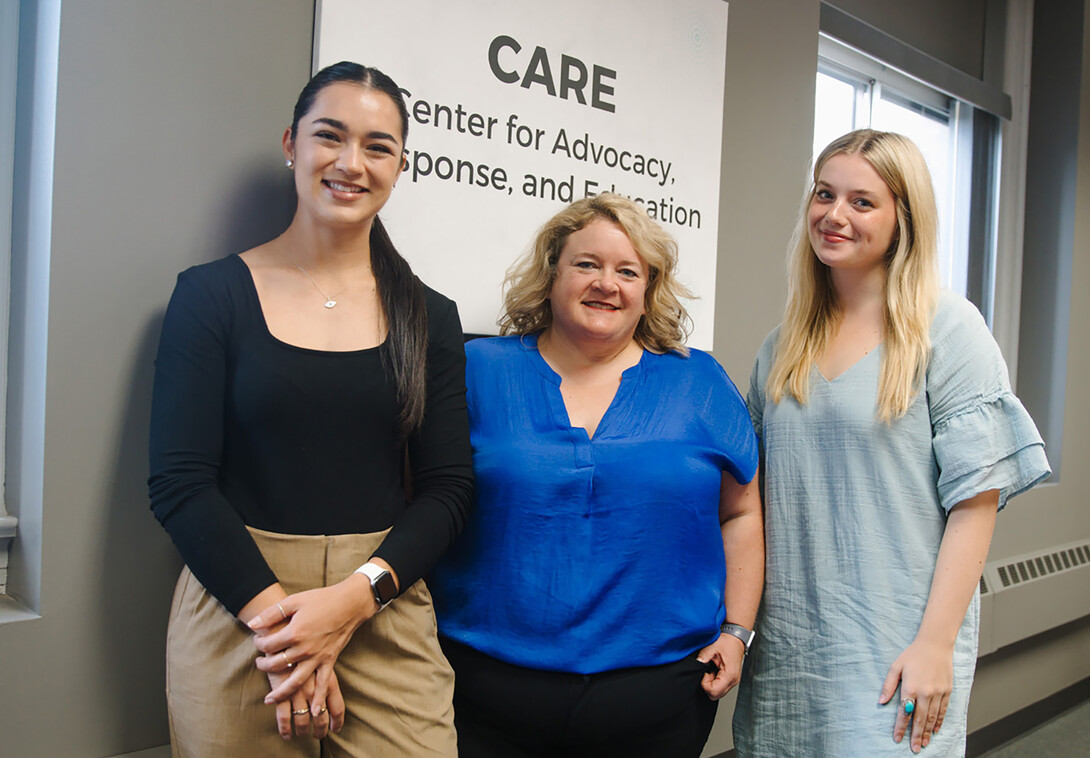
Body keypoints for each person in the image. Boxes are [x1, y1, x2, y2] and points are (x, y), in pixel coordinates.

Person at [148, 61, 473, 757]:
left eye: (378, 146)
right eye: (331, 136)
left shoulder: (430, 317)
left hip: (380, 604)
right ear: (292, 143)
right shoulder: (211, 297)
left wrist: (351, 602)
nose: (351, 163)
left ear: (401, 165)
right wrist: (287, 633)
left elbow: (449, 491)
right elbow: (179, 484)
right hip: (240, 606)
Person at [733, 129, 1050, 756]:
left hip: (897, 646)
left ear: (904, 218)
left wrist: (935, 644)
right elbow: (750, 502)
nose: (835, 215)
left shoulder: (948, 330)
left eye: (862, 201)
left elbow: (975, 502)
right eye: (824, 195)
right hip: (792, 652)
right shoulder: (782, 346)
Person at [428, 193, 763, 758]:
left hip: (659, 696)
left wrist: (737, 631)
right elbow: (428, 499)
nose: (606, 283)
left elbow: (741, 511)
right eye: (587, 264)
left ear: (648, 288)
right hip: (485, 688)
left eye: (627, 271)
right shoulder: (479, 370)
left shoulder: (699, 382)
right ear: (553, 273)